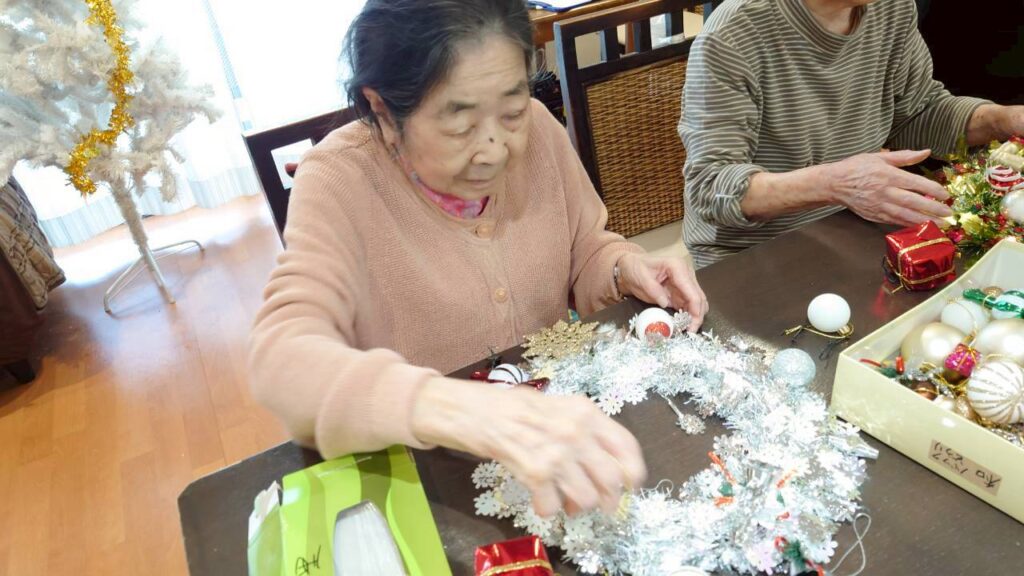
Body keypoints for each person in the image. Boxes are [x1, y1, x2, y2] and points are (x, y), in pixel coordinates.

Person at [249, 0, 708, 518]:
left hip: (556, 437)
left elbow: (585, 247)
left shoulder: (540, 130)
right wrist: (463, 410)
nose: (495, 149)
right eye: (460, 125)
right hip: (433, 475)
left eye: (511, 112)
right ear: (385, 112)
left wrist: (624, 266)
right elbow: (283, 361)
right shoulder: (339, 181)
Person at [679, 0, 1024, 267]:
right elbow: (711, 187)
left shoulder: (891, 9)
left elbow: (919, 113)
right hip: (753, 256)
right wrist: (836, 184)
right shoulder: (734, 33)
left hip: (852, 230)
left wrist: (1004, 119)